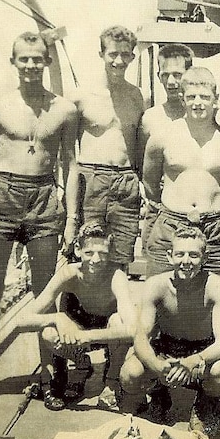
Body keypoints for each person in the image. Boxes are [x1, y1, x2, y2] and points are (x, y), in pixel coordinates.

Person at [0, 32, 78, 411]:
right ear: (13, 62)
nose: (30, 65)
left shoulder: (64, 110)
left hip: (44, 201)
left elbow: (71, 165)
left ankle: (51, 374)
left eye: (37, 59)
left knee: (46, 293)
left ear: (47, 62)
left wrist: (72, 217)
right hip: (0, 199)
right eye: (23, 59)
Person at [120, 227, 220, 436]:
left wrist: (192, 361)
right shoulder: (156, 284)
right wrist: (157, 366)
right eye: (180, 254)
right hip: (167, 348)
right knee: (129, 374)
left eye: (194, 255)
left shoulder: (216, 285)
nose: (186, 261)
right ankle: (158, 395)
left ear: (204, 257)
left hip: (201, 352)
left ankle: (205, 402)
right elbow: (141, 336)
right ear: (169, 255)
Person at [142, 66, 220, 279]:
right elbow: (149, 183)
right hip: (170, 226)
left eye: (204, 97)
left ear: (215, 98)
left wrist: (218, 218)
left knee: (217, 296)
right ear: (182, 99)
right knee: (160, 295)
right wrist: (171, 210)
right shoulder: (162, 136)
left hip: (216, 230)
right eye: (191, 97)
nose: (198, 102)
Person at [14, 222, 136, 411]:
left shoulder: (116, 276)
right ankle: (81, 363)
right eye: (89, 253)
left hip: (105, 332)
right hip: (79, 327)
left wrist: (88, 337)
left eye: (103, 253)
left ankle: (111, 380)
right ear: (78, 250)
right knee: (49, 333)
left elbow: (131, 329)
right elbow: (21, 320)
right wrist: (57, 318)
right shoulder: (69, 273)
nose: (96, 259)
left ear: (110, 253)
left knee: (118, 321)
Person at [65, 26, 145, 268]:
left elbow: (138, 146)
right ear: (101, 54)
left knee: (120, 257)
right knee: (84, 255)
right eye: (112, 54)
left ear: (132, 56)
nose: (119, 61)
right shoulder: (81, 96)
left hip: (125, 183)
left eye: (125, 54)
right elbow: (65, 153)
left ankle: (114, 306)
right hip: (91, 181)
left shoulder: (137, 96)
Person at [138, 44, 195, 250]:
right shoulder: (150, 118)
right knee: (156, 266)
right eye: (165, 75)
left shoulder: (202, 115)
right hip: (159, 208)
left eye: (178, 74)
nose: (171, 82)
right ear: (159, 75)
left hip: (193, 208)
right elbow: (141, 167)